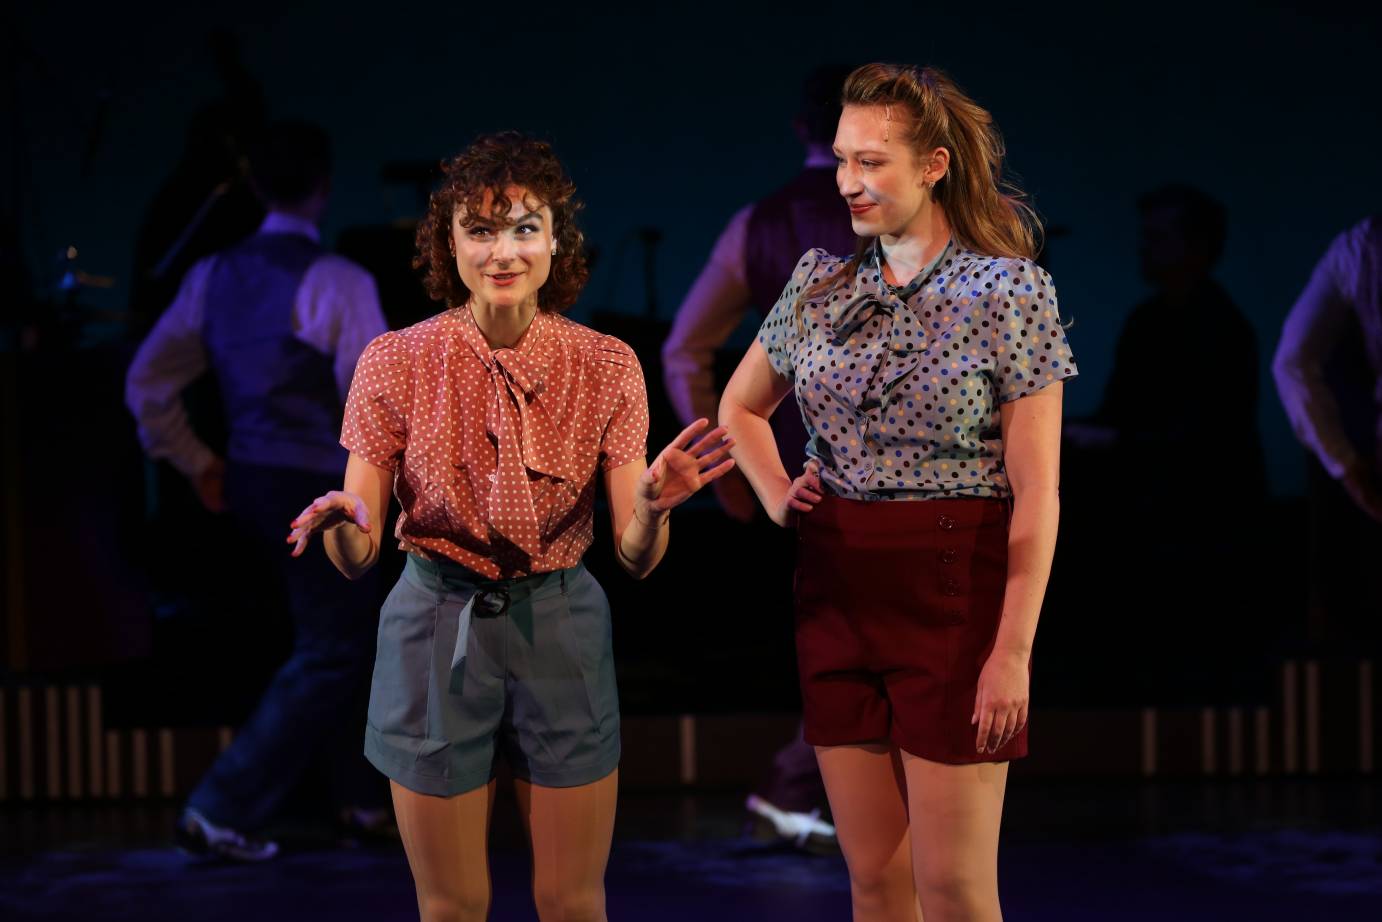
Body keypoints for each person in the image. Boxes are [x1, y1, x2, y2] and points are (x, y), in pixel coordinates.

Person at [286, 132, 733, 922]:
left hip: (559, 621)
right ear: (447, 241)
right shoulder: (395, 361)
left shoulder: (607, 364)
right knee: (452, 905)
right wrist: (340, 523)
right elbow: (358, 554)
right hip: (435, 622)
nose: (504, 250)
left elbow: (637, 558)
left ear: (556, 240)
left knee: (570, 901)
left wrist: (655, 509)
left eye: (525, 227)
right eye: (481, 229)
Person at [720, 63, 1076, 921]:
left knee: (952, 888)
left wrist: (1014, 650)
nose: (849, 181)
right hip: (836, 585)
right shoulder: (820, 284)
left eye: (873, 162)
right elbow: (740, 405)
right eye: (843, 159)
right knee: (876, 882)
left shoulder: (1008, 290)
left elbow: (1039, 490)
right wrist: (774, 493)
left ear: (935, 165)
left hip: (954, 585)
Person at [125, 120, 390, 860]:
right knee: (337, 644)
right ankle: (220, 805)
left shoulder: (211, 275)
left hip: (249, 484)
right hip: (316, 486)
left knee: (340, 634)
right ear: (325, 188)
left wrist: (198, 462)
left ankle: (358, 801)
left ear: (252, 187)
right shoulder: (340, 280)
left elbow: (146, 383)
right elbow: (367, 404)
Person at [662, 64, 857, 852]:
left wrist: (738, 468)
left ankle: (807, 788)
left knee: (846, 632)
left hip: (795, 469)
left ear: (800, 129)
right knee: (858, 637)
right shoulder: (913, 214)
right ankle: (795, 785)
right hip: (876, 470)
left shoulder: (760, 221)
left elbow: (685, 352)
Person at [1273, 215, 1382, 650]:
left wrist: (1346, 465)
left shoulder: (1362, 246)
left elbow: (1292, 363)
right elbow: (1293, 364)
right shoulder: (1360, 248)